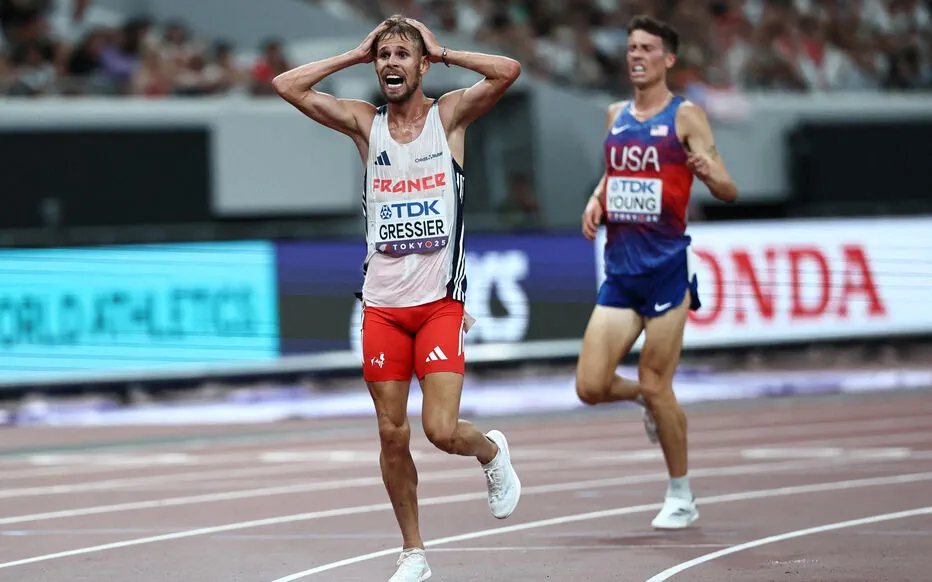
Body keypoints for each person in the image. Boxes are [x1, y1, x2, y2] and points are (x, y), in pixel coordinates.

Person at [273, 15, 522, 582]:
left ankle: (490, 452)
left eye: (401, 54)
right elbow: (287, 86)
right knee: (391, 433)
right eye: (383, 55)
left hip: (439, 303)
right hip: (382, 306)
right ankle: (413, 552)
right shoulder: (366, 125)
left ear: (421, 65)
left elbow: (507, 71)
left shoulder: (450, 114)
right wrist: (352, 55)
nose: (390, 63)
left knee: (439, 429)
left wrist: (445, 50)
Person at [576, 15, 738, 531]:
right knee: (590, 386)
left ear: (668, 58)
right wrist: (597, 196)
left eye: (646, 47)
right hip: (621, 272)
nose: (635, 55)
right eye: (630, 47)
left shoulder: (685, 116)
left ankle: (681, 494)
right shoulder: (614, 114)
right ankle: (648, 402)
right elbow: (615, 170)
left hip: (667, 271)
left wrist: (710, 174)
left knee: (655, 380)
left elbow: (729, 187)